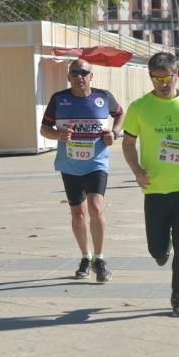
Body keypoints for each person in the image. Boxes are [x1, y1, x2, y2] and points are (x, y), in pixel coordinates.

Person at [122, 52, 179, 317]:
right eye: (156, 78)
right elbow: (128, 143)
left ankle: (178, 296)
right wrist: (137, 171)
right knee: (156, 249)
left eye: (167, 77)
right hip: (154, 187)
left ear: (176, 75)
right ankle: (162, 250)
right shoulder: (139, 107)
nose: (162, 83)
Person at [40, 59, 124, 282]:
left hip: (96, 162)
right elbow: (44, 129)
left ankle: (100, 258)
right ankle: (85, 257)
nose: (79, 77)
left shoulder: (103, 97)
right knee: (78, 213)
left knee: (96, 208)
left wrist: (114, 133)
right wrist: (58, 135)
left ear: (91, 76)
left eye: (83, 73)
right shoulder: (59, 99)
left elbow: (120, 114)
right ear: (68, 77)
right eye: (74, 73)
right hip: (70, 164)